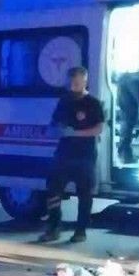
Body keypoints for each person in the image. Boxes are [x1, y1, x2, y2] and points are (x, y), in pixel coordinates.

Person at [37, 67, 105, 244]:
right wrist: (54, 131)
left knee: (85, 194)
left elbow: (98, 128)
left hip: (85, 156)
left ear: (85, 81)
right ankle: (53, 228)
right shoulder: (64, 101)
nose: (73, 85)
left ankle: (80, 231)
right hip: (64, 153)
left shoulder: (93, 103)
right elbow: (54, 124)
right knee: (53, 189)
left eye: (77, 82)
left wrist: (76, 133)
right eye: (71, 82)